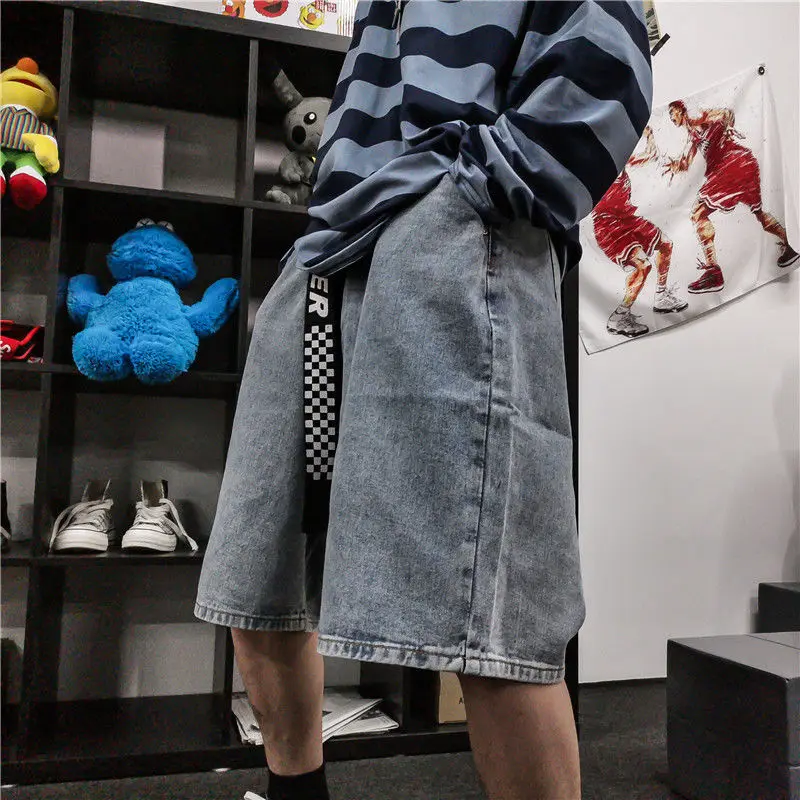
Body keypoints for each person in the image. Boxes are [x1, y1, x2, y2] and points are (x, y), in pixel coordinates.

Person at [195, 2, 652, 799]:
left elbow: (610, 55)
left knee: (492, 620)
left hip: (452, 230)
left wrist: (472, 186)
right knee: (255, 579)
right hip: (325, 250)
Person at [664, 99, 799, 294]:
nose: (670, 117)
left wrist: (725, 125)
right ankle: (789, 246)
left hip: (730, 165)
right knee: (759, 213)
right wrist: (675, 165)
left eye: (672, 112)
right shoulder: (692, 136)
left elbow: (727, 114)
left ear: (680, 109)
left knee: (698, 213)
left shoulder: (698, 118)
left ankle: (713, 272)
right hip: (745, 164)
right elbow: (685, 163)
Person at [594, 126, 688, 339]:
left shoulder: (621, 161)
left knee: (666, 244)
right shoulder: (597, 168)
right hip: (609, 226)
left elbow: (650, 155)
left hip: (628, 219)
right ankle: (619, 317)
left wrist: (650, 136)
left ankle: (661, 297)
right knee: (642, 266)